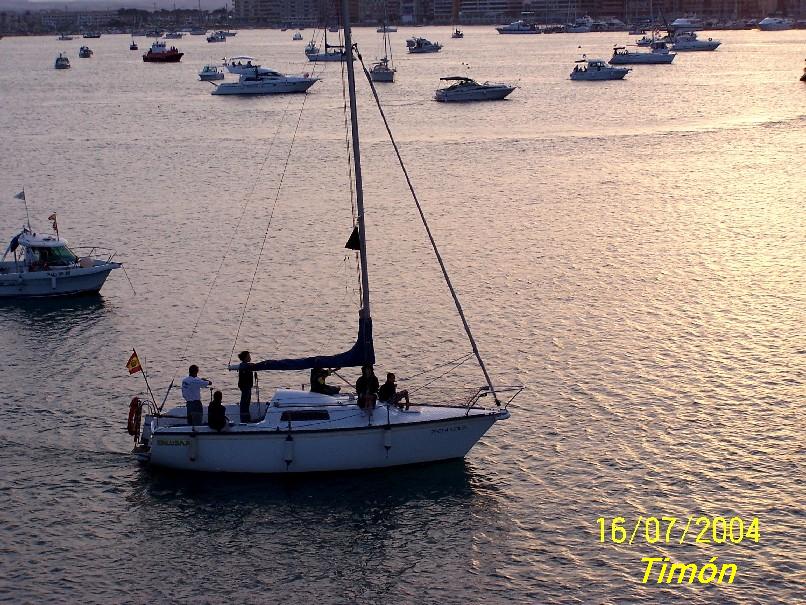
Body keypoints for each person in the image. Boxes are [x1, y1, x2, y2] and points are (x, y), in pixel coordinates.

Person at [237, 350, 253, 423]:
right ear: (245, 357)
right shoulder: (244, 365)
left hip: (247, 387)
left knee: (246, 403)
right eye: (249, 356)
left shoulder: (247, 365)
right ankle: (244, 420)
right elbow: (247, 366)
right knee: (244, 403)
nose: (250, 357)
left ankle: (246, 418)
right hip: (245, 387)